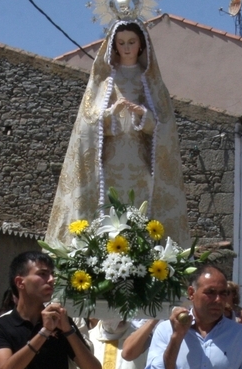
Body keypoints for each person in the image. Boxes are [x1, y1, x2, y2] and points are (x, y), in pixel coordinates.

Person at [45, 15, 189, 247]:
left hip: (139, 165)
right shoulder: (102, 81)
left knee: (138, 215)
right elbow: (86, 124)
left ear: (141, 44)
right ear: (114, 45)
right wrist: (109, 114)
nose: (126, 47)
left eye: (131, 42)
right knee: (106, 214)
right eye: (121, 42)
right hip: (108, 167)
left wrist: (144, 115)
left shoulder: (153, 84)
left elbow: (166, 127)